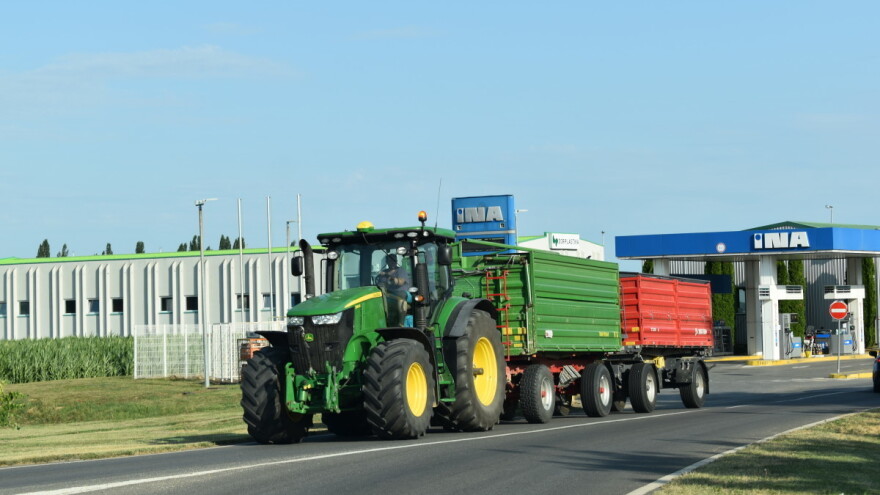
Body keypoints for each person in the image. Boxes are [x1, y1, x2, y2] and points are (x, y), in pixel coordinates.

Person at [376, 254, 410, 326]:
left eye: (394, 260)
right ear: (387, 262)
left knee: (401, 298)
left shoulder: (400, 270)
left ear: (396, 261)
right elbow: (380, 284)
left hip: (400, 294)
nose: (392, 262)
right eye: (390, 260)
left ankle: (401, 323)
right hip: (387, 294)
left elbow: (400, 282)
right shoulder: (383, 272)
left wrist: (387, 275)